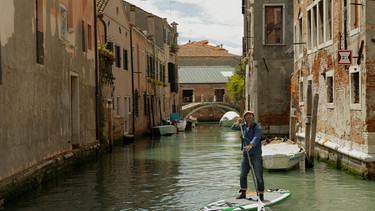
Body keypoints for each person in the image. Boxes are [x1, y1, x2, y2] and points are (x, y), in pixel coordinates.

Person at [231, 111, 264, 201]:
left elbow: (256, 137)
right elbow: (233, 127)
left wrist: (250, 145)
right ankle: (243, 192)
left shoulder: (257, 127)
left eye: (250, 115)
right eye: (246, 115)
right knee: (242, 175)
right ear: (244, 118)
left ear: (253, 117)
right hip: (245, 155)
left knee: (258, 176)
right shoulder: (243, 127)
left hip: (256, 154)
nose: (248, 116)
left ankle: (260, 194)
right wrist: (238, 122)